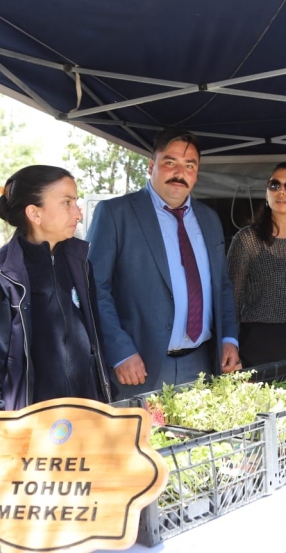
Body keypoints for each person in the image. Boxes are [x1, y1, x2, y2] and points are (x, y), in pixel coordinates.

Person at [87, 128, 241, 398]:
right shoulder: (115, 214)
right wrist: (119, 350)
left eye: (189, 165)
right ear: (151, 166)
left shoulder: (209, 218)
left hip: (202, 363)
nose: (180, 173)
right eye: (170, 162)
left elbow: (222, 284)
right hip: (138, 367)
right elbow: (94, 288)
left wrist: (229, 337)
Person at [0, 165, 111, 445]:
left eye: (76, 202)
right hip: (30, 432)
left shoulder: (80, 263)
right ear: (34, 213)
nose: (78, 213)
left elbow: (94, 346)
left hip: (84, 421)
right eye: (66, 202)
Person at [227, 162, 286, 367]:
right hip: (255, 344)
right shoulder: (247, 239)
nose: (281, 191)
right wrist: (230, 345)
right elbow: (231, 298)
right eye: (275, 185)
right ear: (267, 193)